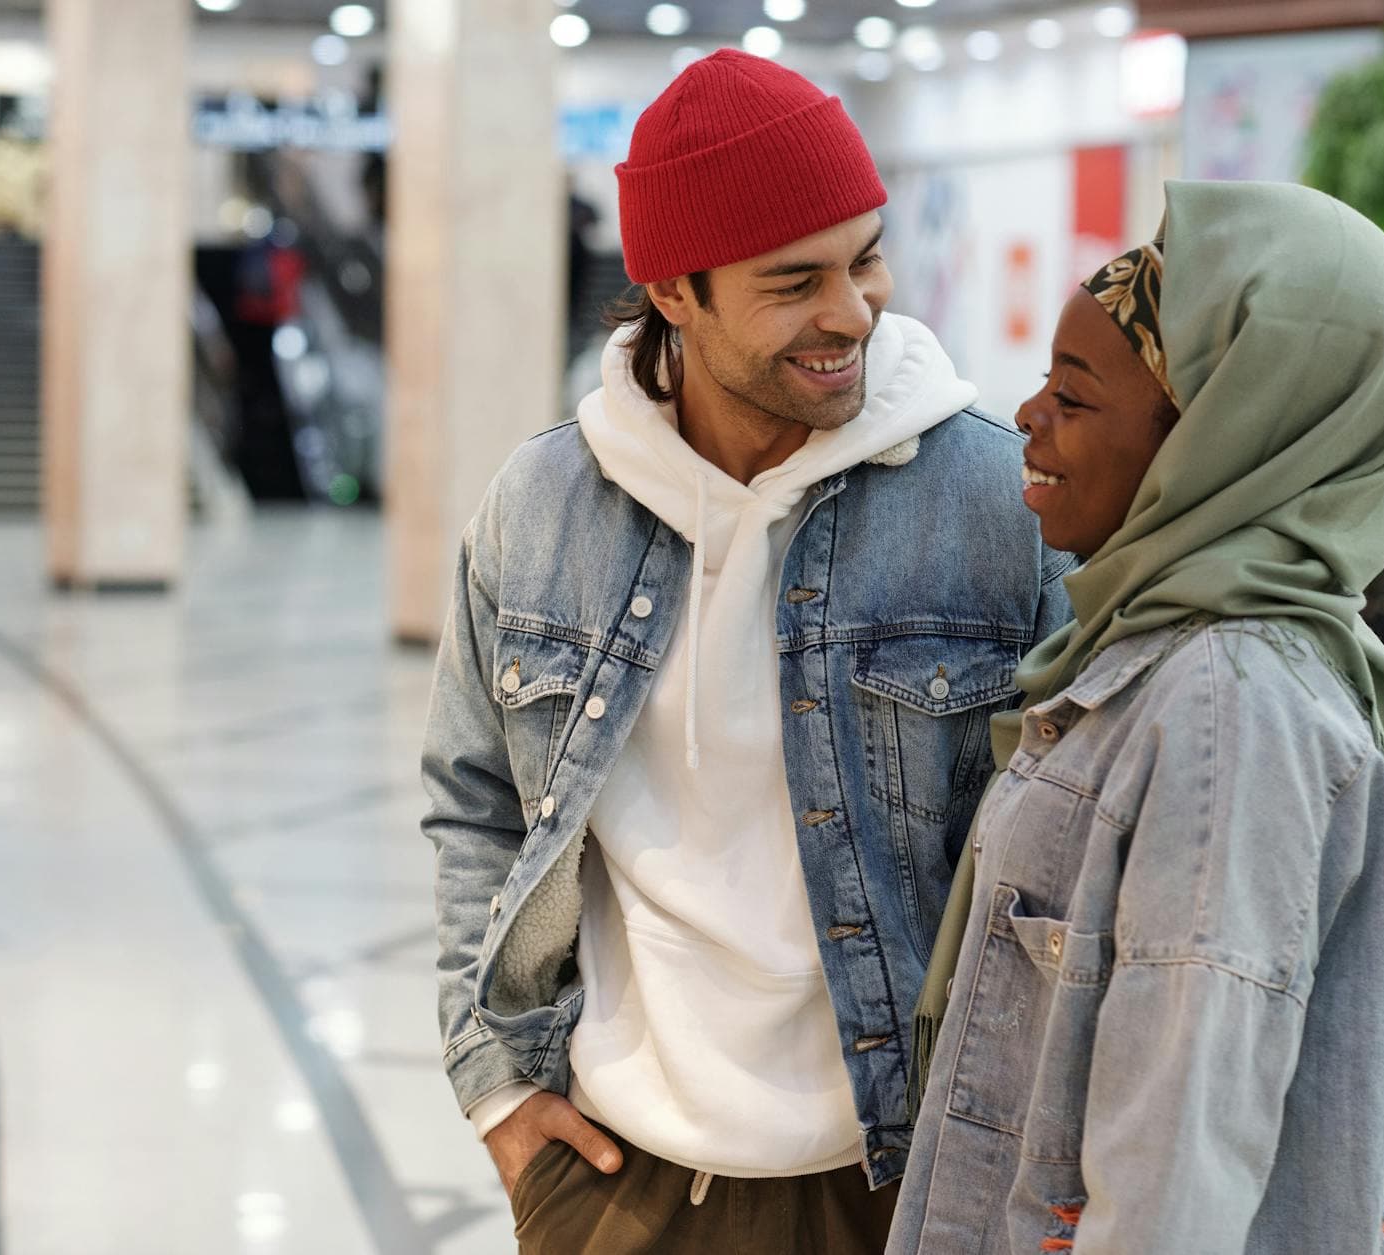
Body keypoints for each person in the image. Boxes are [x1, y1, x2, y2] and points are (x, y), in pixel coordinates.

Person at [421, 49, 1072, 1255]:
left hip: (907, 1177)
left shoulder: (996, 501)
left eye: (863, 256)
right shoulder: (543, 504)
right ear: (675, 290)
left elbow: (1086, 850)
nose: (851, 311)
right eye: (793, 281)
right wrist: (499, 1093)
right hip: (618, 1183)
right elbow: (473, 803)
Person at [888, 180, 1384, 1255]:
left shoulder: (1231, 709)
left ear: (1211, 441)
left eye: (1076, 394)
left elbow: (1172, 1164)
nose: (1025, 414)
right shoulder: (1147, 653)